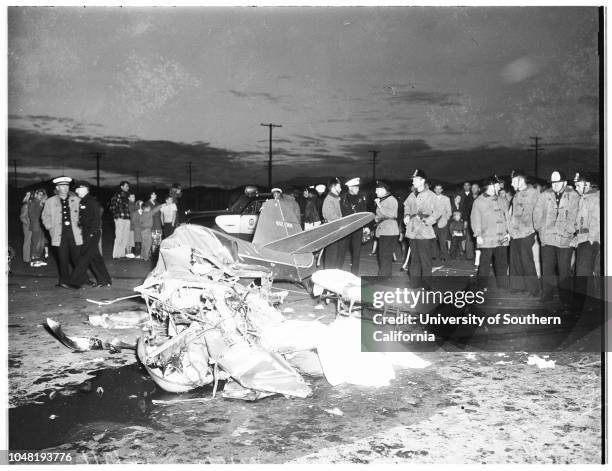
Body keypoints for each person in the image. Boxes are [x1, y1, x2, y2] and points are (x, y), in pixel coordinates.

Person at [533, 170, 579, 305]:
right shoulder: (544, 195)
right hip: (547, 239)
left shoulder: (573, 196)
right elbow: (537, 214)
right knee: (547, 269)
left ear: (564, 182)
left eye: (557, 183)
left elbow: (575, 215)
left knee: (564, 270)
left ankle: (565, 298)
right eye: (553, 183)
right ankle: (546, 295)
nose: (554, 185)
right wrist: (541, 231)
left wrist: (568, 230)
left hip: (564, 240)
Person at [41, 176, 83, 288]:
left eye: (67, 185)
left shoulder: (76, 200)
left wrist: (82, 226)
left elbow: (83, 214)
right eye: (62, 186)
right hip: (59, 235)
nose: (65, 188)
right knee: (62, 258)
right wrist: (50, 227)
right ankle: (64, 281)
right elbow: (45, 216)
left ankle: (78, 280)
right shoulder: (50, 201)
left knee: (77, 258)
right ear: (57, 187)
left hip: (74, 234)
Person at [68, 181, 112, 288]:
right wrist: (80, 223)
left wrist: (92, 233)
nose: (76, 191)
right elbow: (86, 217)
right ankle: (105, 280)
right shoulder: (84, 201)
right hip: (87, 232)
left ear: (84, 189)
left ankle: (74, 281)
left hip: (92, 233)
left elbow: (96, 219)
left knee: (84, 257)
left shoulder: (91, 201)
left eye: (78, 189)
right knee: (95, 258)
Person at [470, 175, 510, 290]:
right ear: (490, 186)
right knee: (484, 263)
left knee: (502, 262)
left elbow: (507, 216)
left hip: (502, 236)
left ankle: (503, 286)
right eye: (497, 184)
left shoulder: (502, 200)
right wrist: (477, 234)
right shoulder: (479, 201)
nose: (499, 186)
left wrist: (508, 231)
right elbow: (475, 218)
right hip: (487, 237)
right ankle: (482, 285)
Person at [403, 170, 440, 282]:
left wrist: (428, 221)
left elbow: (438, 212)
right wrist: (406, 215)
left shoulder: (431, 195)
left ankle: (427, 283)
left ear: (422, 180)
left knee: (425, 259)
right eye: (413, 179)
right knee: (414, 258)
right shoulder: (411, 195)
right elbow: (407, 206)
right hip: (413, 229)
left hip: (424, 231)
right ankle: (414, 283)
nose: (413, 181)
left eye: (415, 179)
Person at [508, 169, 539, 295]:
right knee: (515, 260)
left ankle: (533, 288)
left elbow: (532, 214)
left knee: (527, 260)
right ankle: (517, 286)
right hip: (515, 233)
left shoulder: (532, 193)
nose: (511, 184)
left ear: (521, 180)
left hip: (526, 232)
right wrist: (510, 229)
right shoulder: (517, 194)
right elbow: (514, 214)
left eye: (514, 181)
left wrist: (528, 228)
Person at [572, 171, 600, 303]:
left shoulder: (595, 198)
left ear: (587, 184)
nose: (576, 188)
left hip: (590, 240)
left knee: (584, 272)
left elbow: (597, 220)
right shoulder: (584, 198)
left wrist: (591, 238)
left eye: (578, 185)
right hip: (583, 239)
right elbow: (581, 222)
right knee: (582, 272)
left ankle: (586, 303)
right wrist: (577, 238)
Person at [340, 177, 369, 275]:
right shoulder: (342, 198)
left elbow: (364, 213)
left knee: (356, 253)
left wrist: (366, 226)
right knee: (342, 252)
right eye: (356, 187)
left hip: (358, 228)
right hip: (347, 228)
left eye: (358, 187)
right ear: (350, 187)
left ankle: (354, 274)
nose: (358, 189)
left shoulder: (361, 198)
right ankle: (338, 272)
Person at [374, 180, 399, 277]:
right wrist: (377, 218)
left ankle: (384, 277)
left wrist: (379, 205)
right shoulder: (384, 199)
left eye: (377, 190)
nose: (376, 192)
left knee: (385, 256)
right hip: (383, 231)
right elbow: (381, 215)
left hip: (390, 231)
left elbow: (391, 214)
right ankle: (384, 276)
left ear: (384, 190)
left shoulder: (392, 200)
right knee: (382, 256)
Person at [322, 178, 344, 269]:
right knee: (331, 255)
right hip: (332, 230)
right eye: (339, 186)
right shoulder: (329, 199)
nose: (341, 189)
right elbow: (331, 217)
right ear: (333, 187)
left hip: (336, 230)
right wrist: (343, 222)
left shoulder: (334, 198)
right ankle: (328, 276)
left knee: (335, 255)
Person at [109, 181, 131, 259]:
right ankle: (115, 255)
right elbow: (112, 207)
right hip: (120, 218)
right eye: (126, 186)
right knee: (119, 236)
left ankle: (121, 254)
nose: (127, 187)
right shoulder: (117, 195)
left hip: (127, 218)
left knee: (125, 236)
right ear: (121, 187)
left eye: (128, 186)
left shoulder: (129, 196)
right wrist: (116, 216)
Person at [28, 189, 48, 267]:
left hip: (41, 226)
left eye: (42, 195)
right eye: (39, 194)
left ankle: (38, 259)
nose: (41, 196)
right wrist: (37, 222)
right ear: (36, 194)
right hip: (36, 226)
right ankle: (33, 260)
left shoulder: (41, 203)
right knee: (36, 243)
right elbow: (31, 215)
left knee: (41, 243)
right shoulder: (33, 202)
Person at [432, 183, 451, 261]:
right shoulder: (431, 198)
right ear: (434, 189)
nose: (438, 190)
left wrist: (445, 219)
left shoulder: (446, 199)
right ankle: (434, 255)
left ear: (442, 190)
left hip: (443, 222)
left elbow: (449, 212)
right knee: (432, 240)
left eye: (440, 188)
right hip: (433, 222)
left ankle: (444, 256)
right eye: (436, 188)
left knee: (442, 241)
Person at [143, 191, 163, 256]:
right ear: (150, 195)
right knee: (151, 238)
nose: (155, 195)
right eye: (154, 194)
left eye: (155, 194)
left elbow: (160, 212)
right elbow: (147, 213)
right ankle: (150, 252)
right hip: (151, 222)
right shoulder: (146, 203)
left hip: (157, 222)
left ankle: (156, 253)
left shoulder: (157, 203)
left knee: (157, 238)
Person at [460, 181, 476, 260]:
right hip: (469, 220)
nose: (473, 189)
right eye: (472, 188)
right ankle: (469, 255)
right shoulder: (467, 197)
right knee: (468, 238)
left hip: (479, 220)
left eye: (475, 187)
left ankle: (478, 255)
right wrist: (465, 220)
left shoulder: (480, 197)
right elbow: (465, 210)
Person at [19, 192, 32, 264]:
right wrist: (27, 224)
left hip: (31, 225)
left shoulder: (29, 205)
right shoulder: (26, 206)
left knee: (30, 241)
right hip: (28, 226)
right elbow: (22, 217)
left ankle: (28, 257)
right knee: (27, 241)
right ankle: (26, 258)